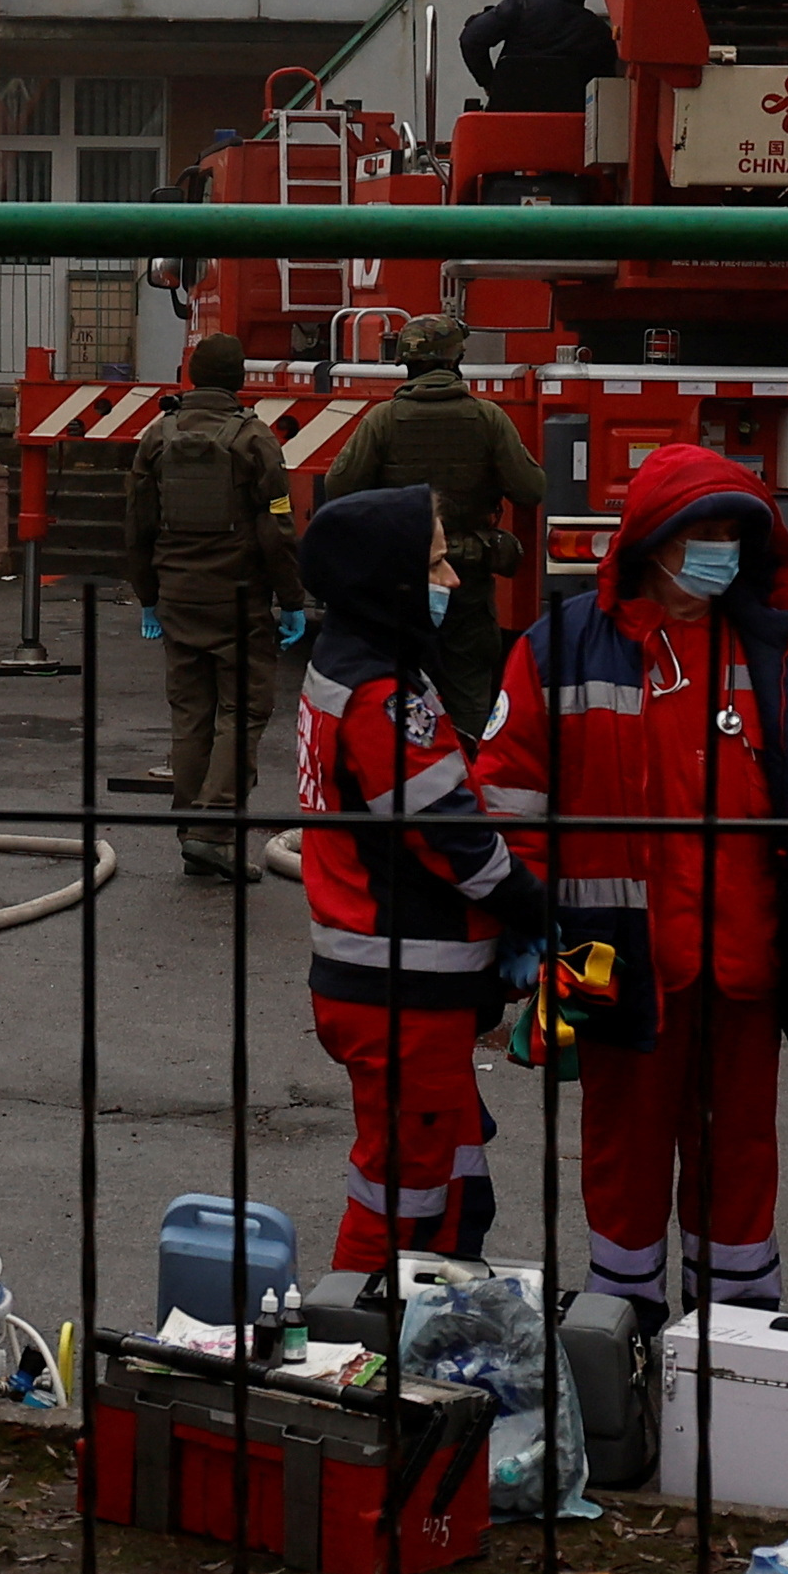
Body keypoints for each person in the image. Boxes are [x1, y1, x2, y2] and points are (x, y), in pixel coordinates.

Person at [479, 445, 788, 1324]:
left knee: (739, 1145)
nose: (718, 552)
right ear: (651, 541)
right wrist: (523, 926)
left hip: (749, 956)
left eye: (734, 535)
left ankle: (736, 1334)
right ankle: (622, 1326)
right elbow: (509, 792)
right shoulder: (563, 646)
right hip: (613, 958)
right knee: (622, 1148)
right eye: (699, 534)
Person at [297, 485, 543, 1273]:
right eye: (436, 562)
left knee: (453, 1182)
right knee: (401, 1199)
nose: (454, 581)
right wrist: (538, 911)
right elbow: (457, 840)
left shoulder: (355, 663)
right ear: (390, 579)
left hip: (379, 977)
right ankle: (355, 1347)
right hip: (401, 982)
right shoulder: (384, 696)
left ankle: (440, 1316)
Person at [321, 311, 548, 739]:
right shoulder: (487, 418)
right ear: (455, 361)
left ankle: (410, 780)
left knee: (399, 695)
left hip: (402, 579)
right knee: (469, 698)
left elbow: (340, 488)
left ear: (408, 363)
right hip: (469, 578)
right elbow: (530, 488)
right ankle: (469, 786)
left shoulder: (383, 420)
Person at [122, 338, 298, 878]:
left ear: (191, 376)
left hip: (177, 595)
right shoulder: (253, 438)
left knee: (191, 711)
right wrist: (291, 597)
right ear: (240, 378)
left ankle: (192, 831)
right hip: (237, 596)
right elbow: (278, 525)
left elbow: (137, 524)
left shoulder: (157, 436)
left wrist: (148, 596)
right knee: (242, 709)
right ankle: (214, 831)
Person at [457, 0, 619, 122]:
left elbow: (471, 39)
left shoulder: (519, 7)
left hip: (506, 115)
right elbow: (607, 81)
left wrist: (489, 82)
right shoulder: (597, 29)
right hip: (573, 125)